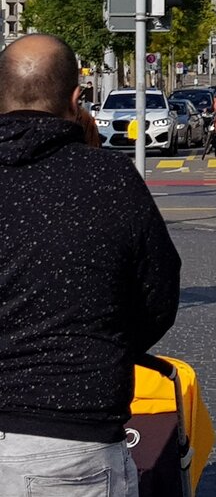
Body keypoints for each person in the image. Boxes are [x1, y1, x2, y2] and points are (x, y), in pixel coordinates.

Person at [0, 33, 181, 497]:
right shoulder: (111, 179)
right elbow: (157, 297)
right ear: (77, 97)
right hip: (71, 441)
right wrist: (102, 345)